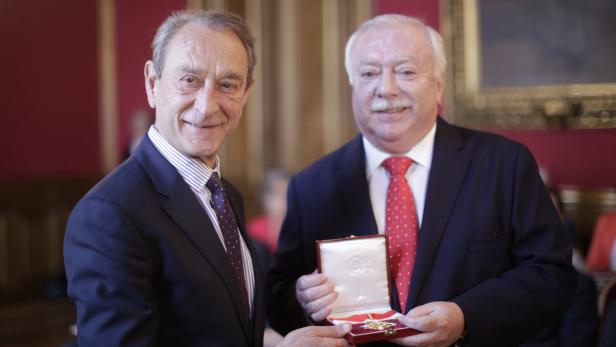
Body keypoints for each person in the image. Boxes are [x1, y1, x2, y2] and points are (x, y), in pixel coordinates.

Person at [266, 14, 577, 346]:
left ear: (439, 84)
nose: (386, 88)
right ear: (353, 85)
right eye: (369, 73)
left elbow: (551, 277)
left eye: (406, 72)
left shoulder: (504, 165)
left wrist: (465, 316)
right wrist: (304, 301)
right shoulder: (312, 186)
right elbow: (279, 301)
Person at [64, 10, 351, 347]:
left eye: (228, 85)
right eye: (189, 80)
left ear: (245, 94)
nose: (207, 106)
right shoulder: (109, 213)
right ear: (152, 83)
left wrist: (301, 302)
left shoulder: (226, 194)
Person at [248, 169, 291, 253]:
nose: (287, 200)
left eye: (289, 194)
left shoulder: (301, 229)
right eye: (280, 194)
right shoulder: (255, 229)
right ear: (266, 199)